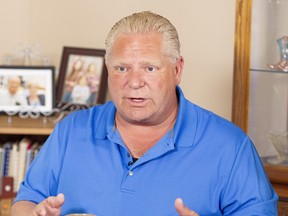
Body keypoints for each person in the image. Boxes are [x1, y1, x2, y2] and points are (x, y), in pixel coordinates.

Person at [12, 11, 278, 216]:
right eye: (121, 68)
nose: (134, 82)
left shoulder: (231, 147)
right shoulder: (71, 130)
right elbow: (25, 200)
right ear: (108, 70)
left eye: (150, 68)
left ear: (177, 70)